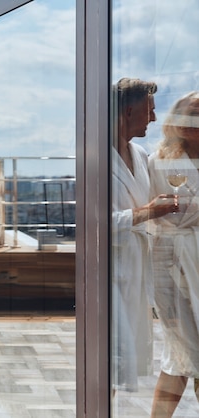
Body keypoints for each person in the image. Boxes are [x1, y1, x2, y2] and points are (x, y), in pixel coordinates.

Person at [111, 78, 177, 394]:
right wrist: (150, 212)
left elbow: (154, 197)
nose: (153, 118)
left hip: (137, 265)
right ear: (128, 111)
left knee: (123, 354)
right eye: (149, 110)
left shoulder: (139, 153)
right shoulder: (96, 157)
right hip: (111, 270)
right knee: (110, 355)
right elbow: (97, 222)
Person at [148, 91, 199, 417]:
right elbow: (167, 214)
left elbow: (181, 210)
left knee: (183, 354)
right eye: (189, 114)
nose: (192, 122)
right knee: (184, 348)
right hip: (171, 264)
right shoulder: (160, 161)